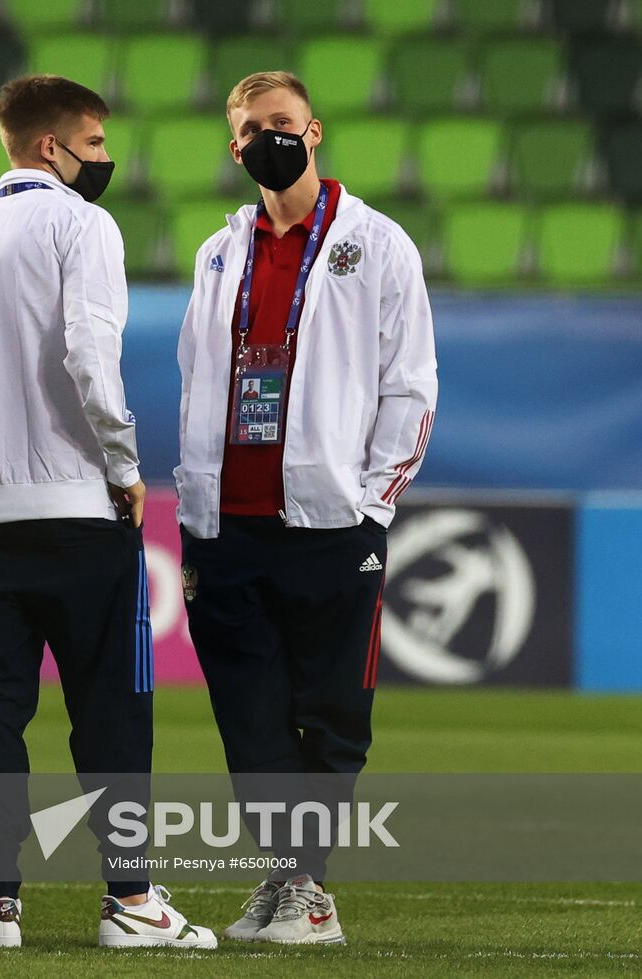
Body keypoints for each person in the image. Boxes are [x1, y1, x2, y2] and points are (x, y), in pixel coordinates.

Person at [0, 73, 217, 951]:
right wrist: (123, 463)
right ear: (51, 146)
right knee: (112, 710)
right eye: (95, 142)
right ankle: (130, 900)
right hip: (77, 506)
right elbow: (88, 350)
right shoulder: (82, 225)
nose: (106, 160)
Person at [174, 71, 437, 945]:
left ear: (315, 130)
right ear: (234, 144)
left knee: (329, 712)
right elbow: (195, 379)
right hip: (228, 524)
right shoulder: (220, 253)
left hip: (330, 523)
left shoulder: (377, 244)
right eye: (253, 128)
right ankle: (287, 875)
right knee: (248, 716)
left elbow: (413, 385)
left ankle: (306, 889)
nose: (269, 138)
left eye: (283, 123)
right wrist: (196, 499)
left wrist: (373, 506)